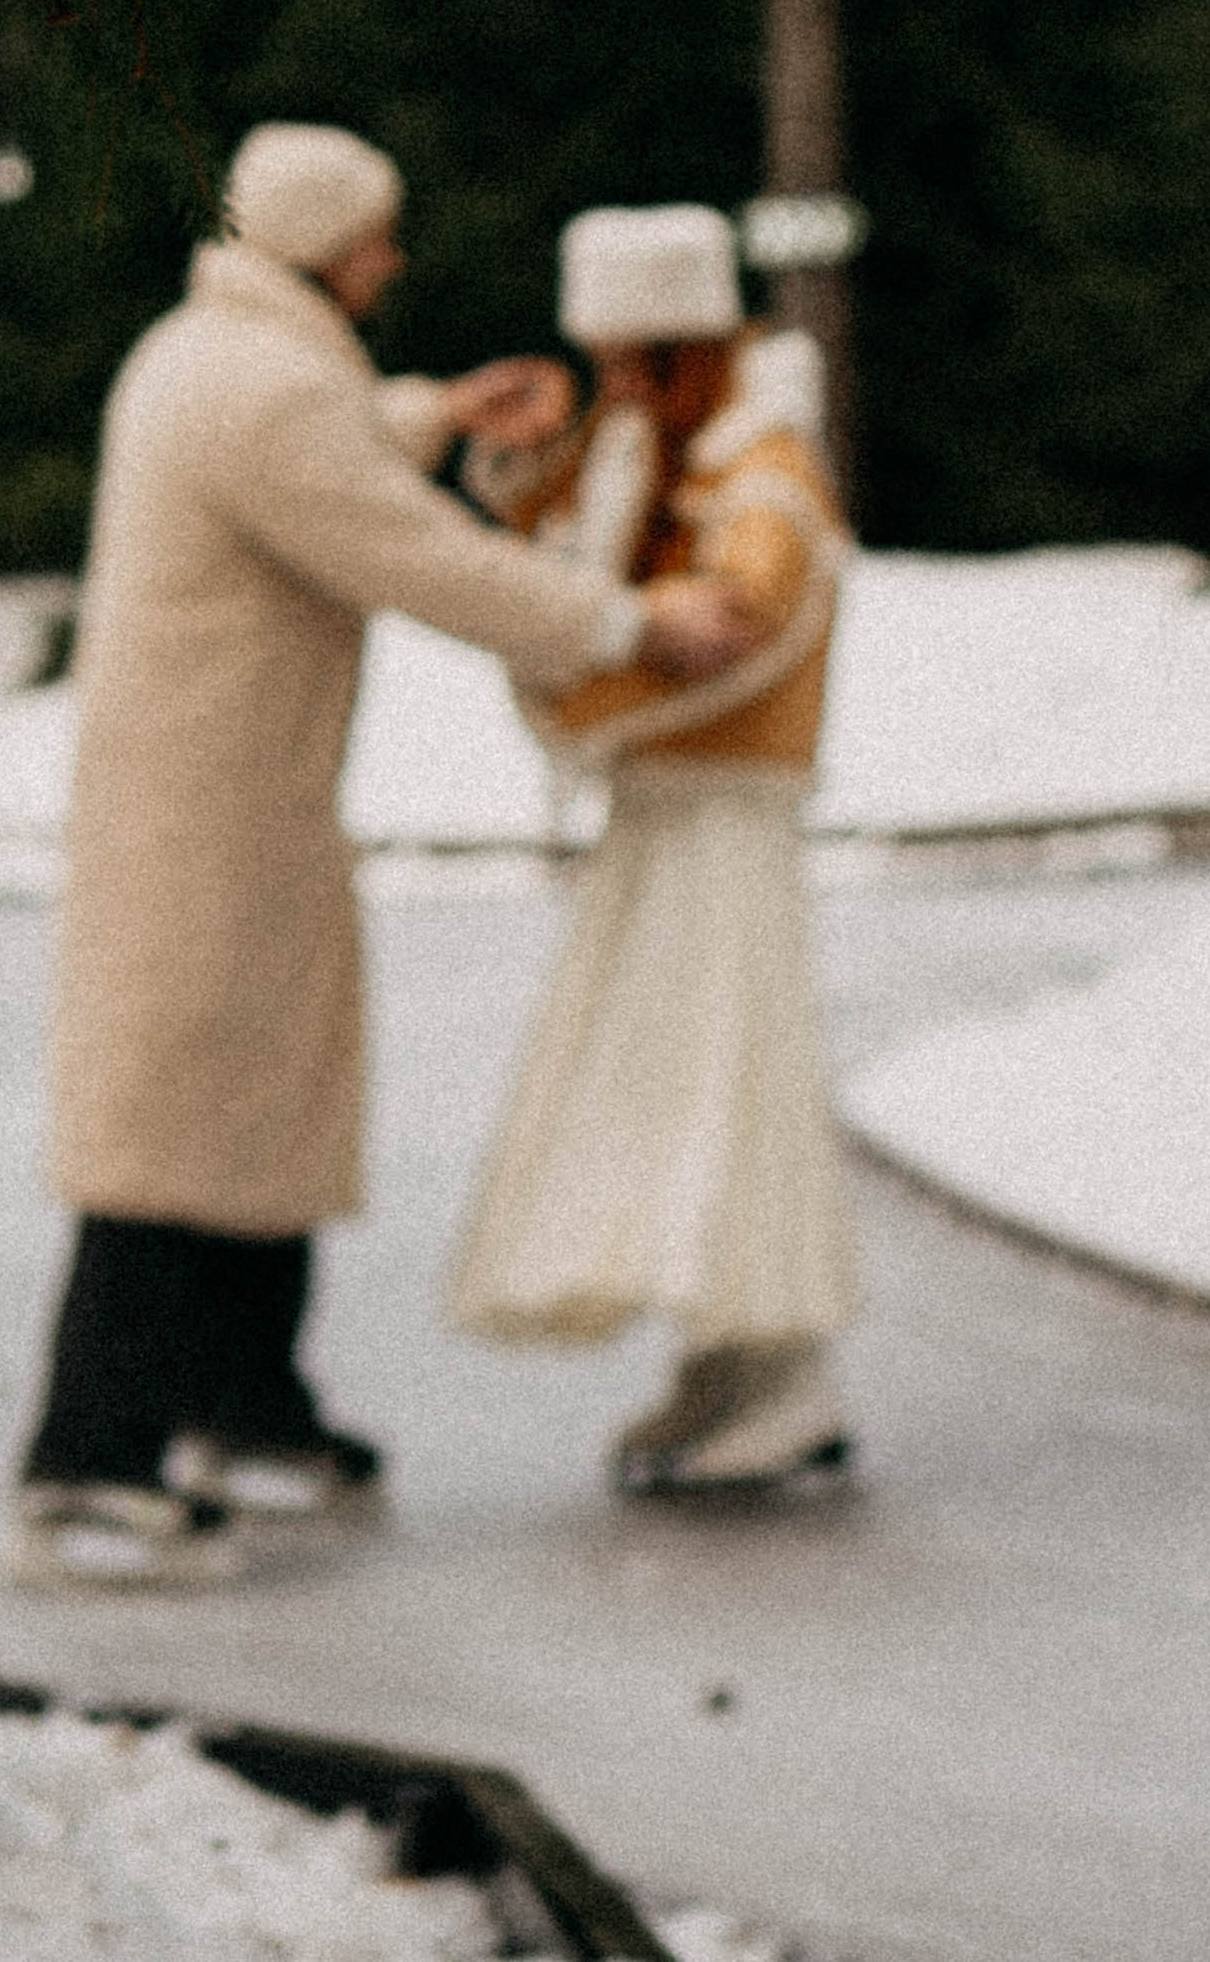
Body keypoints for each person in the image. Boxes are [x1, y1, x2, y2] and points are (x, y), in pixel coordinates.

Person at [7, 126, 754, 1592]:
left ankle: (246, 1407)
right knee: (170, 1127)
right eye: (377, 236)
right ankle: (84, 1462)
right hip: (203, 816)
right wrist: (627, 625)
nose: (394, 260)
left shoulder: (221, 353)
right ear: (320, 243)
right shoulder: (264, 388)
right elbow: (417, 556)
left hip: (232, 802)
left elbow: (332, 442)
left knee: (260, 1101)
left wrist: (436, 406)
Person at [446, 203, 859, 1497]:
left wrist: (593, 677)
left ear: (696, 347)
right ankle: (725, 1351)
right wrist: (527, 477)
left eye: (641, 361)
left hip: (724, 820)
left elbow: (736, 618)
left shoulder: (763, 470)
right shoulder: (654, 448)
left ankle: (786, 1371)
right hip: (663, 814)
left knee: (734, 1080)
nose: (618, 389)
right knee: (666, 1085)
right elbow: (565, 553)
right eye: (607, 362)